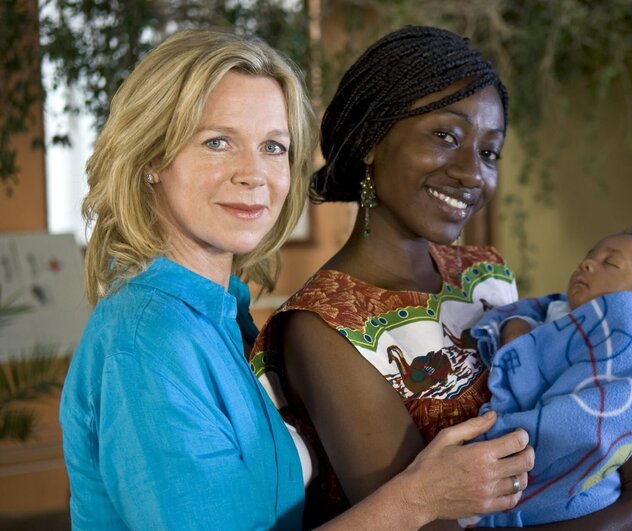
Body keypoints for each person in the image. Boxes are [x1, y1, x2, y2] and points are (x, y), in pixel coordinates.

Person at [59, 29, 534, 531]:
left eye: (273, 147)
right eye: (218, 142)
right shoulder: (150, 340)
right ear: (153, 157)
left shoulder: (220, 313)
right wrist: (418, 499)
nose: (254, 173)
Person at [250, 26, 632, 530]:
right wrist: (628, 507)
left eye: (490, 152)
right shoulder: (326, 328)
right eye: (445, 136)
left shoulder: (483, 272)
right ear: (373, 140)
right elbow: (424, 523)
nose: (472, 173)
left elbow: (614, 463)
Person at [461, 229, 632, 527]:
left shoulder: (629, 330)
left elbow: (618, 399)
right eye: (589, 256)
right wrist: (515, 328)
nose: (587, 264)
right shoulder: (553, 312)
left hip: (583, 487)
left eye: (611, 263)